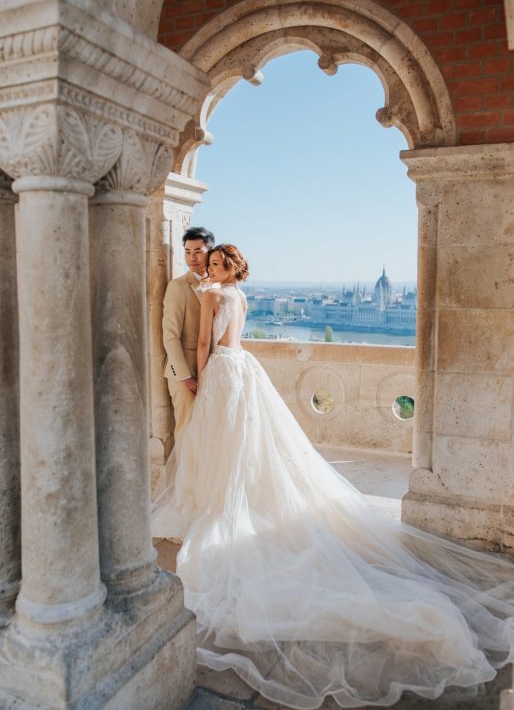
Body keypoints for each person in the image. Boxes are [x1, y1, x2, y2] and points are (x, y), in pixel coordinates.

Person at [152, 244, 514, 710]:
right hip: (246, 369)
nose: (210, 269)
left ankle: (219, 504)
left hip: (223, 373)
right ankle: (233, 499)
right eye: (212, 263)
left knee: (221, 445)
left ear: (227, 268)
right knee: (246, 448)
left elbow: (203, 344)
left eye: (217, 263)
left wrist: (201, 382)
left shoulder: (213, 296)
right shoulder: (242, 297)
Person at [162, 226, 215, 445]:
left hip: (213, 372)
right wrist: (184, 376)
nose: (192, 257)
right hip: (186, 376)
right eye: (187, 251)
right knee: (187, 434)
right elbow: (170, 335)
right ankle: (184, 480)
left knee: (209, 436)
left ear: (209, 252)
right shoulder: (177, 287)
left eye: (198, 251)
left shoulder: (217, 286)